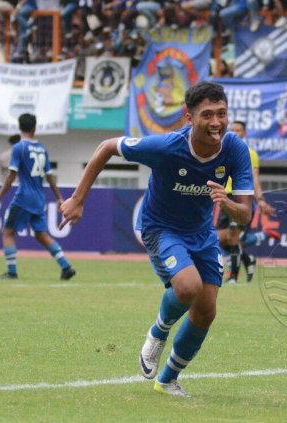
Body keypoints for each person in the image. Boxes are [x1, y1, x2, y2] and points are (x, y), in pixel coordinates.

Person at [59, 81, 254, 397]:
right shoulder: (166, 147)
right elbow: (107, 147)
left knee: (207, 310)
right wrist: (78, 199)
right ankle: (158, 332)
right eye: (207, 115)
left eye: (222, 114)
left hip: (202, 232)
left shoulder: (235, 149)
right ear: (188, 117)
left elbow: (245, 216)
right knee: (188, 287)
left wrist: (227, 202)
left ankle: (167, 380)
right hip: (160, 227)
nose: (216, 123)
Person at [0, 114, 76, 281]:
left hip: (23, 197)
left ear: (19, 128)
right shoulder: (42, 148)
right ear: (34, 128)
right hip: (39, 198)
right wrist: (59, 198)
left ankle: (12, 272)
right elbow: (50, 176)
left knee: (8, 232)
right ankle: (66, 266)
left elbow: (11, 176)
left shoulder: (19, 147)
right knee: (41, 234)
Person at [216, 120, 278, 284]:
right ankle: (248, 258)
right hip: (225, 198)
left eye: (239, 130)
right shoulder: (222, 150)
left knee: (234, 237)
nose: (235, 132)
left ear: (245, 133)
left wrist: (261, 200)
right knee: (220, 238)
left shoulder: (250, 153)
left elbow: (255, 179)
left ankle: (233, 278)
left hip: (242, 198)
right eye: (232, 129)